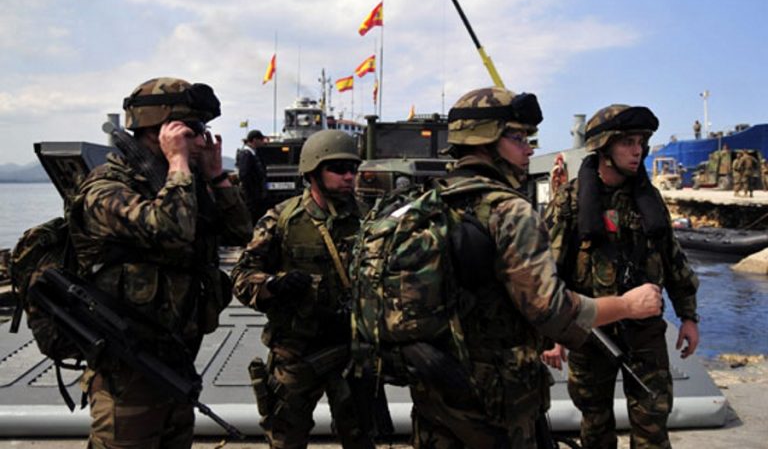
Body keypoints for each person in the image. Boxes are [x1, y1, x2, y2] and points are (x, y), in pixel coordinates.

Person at [410, 87, 663, 449]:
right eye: (518, 137)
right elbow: (553, 311)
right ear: (486, 142)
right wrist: (627, 305)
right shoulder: (509, 212)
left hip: (434, 390)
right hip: (497, 399)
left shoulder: (426, 204)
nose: (529, 149)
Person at [69, 77, 252, 448]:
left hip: (175, 357)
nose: (203, 140)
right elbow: (171, 230)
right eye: (194, 130)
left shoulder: (182, 185)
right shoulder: (107, 187)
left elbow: (239, 233)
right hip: (128, 370)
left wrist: (216, 177)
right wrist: (180, 163)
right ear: (160, 131)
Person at [543, 104, 701, 449]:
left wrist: (688, 316)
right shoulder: (570, 201)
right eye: (627, 142)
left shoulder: (648, 199)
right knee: (595, 423)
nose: (637, 150)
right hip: (591, 332)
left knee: (653, 423)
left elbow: (673, 259)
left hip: (645, 332)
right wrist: (554, 333)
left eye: (641, 141)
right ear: (604, 147)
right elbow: (551, 270)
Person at [231, 130, 374, 449]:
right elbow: (242, 276)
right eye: (338, 169)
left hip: (351, 350)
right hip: (296, 351)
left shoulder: (368, 219)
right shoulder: (282, 219)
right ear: (312, 171)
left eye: (353, 169)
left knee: (362, 435)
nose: (349, 177)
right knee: (285, 437)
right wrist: (273, 284)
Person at [237, 129, 269, 223]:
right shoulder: (247, 154)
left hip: (255, 194)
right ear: (254, 140)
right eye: (261, 139)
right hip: (251, 195)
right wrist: (252, 191)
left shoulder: (253, 153)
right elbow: (244, 174)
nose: (262, 142)